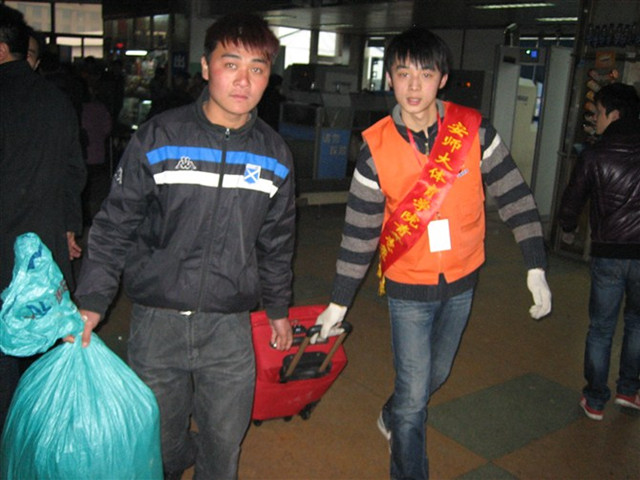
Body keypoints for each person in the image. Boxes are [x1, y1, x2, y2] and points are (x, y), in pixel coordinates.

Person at [314, 27, 552, 479]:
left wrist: (535, 266)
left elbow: (515, 196)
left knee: (433, 377)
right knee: (414, 398)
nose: (414, 86)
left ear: (443, 79)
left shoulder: (474, 132)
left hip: (463, 280)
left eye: (426, 74)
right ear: (389, 78)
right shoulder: (375, 149)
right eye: (404, 73)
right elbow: (359, 233)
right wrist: (338, 302)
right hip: (407, 288)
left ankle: (391, 413)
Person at [71, 13, 296, 479]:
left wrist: (278, 308)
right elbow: (115, 225)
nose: (244, 80)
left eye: (257, 68)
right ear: (206, 66)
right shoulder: (161, 137)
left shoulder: (274, 155)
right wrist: (92, 299)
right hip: (158, 323)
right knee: (159, 444)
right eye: (231, 64)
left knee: (224, 445)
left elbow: (276, 241)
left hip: (229, 327)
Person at [0, 4, 86, 434]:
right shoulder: (56, 100)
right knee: (43, 349)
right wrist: (69, 227)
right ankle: (39, 436)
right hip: (43, 252)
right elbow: (74, 172)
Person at [557, 82, 640, 421]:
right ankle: (629, 390)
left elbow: (573, 199)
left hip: (608, 253)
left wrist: (567, 227)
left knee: (602, 328)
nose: (596, 119)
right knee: (637, 323)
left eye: (599, 113)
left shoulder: (595, 154)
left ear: (614, 114)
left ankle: (594, 399)